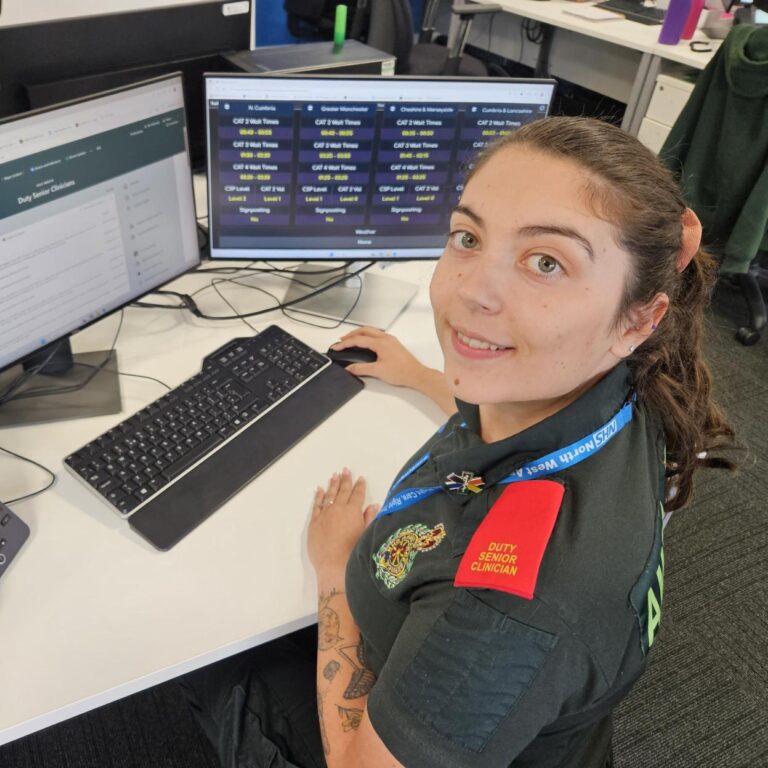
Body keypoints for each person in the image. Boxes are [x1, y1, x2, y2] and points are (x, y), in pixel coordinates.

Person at [180, 116, 735, 768]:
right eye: (468, 237)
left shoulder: (503, 613)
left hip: (435, 713)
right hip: (508, 710)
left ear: (638, 318)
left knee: (211, 665)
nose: (470, 292)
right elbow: (497, 406)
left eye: (545, 261)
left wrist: (334, 574)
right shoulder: (624, 388)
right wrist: (418, 374)